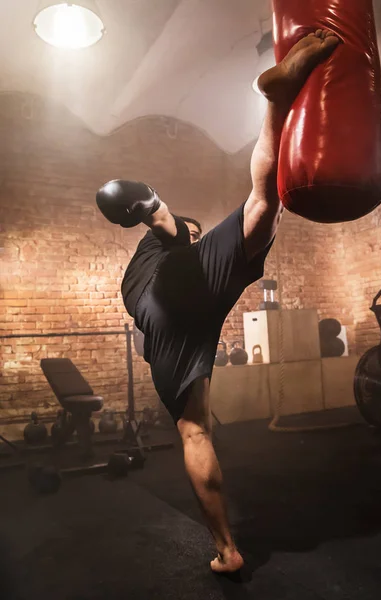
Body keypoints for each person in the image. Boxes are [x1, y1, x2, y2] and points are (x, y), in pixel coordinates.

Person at [96, 30, 340, 573]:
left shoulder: (149, 253)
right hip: (176, 294)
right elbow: (170, 222)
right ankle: (276, 100)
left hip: (151, 317)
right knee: (262, 202)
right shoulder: (188, 245)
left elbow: (157, 217)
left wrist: (141, 199)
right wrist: (155, 207)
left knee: (193, 428)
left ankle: (229, 549)